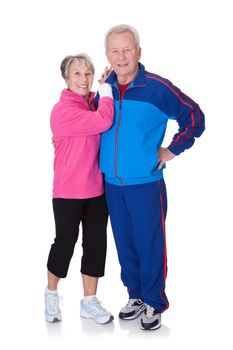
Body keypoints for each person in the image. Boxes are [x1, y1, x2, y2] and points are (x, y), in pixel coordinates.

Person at [99, 24, 205, 330]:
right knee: (125, 243)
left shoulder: (157, 88)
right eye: (115, 51)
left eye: (127, 49)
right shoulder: (104, 87)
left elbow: (194, 117)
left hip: (145, 184)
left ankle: (155, 302)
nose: (121, 57)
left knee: (149, 245)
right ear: (107, 54)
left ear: (139, 52)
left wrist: (172, 150)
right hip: (111, 184)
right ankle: (135, 296)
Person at [45, 53, 114, 325]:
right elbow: (104, 121)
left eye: (88, 73)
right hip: (67, 193)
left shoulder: (90, 105)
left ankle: (89, 302)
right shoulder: (62, 111)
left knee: (96, 244)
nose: (84, 79)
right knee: (65, 243)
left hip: (96, 189)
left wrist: (103, 89)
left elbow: (99, 115)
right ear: (66, 79)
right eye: (77, 74)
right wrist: (106, 89)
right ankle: (51, 294)